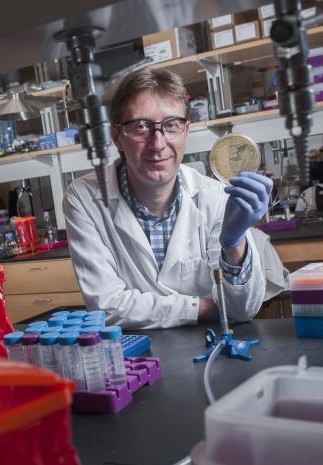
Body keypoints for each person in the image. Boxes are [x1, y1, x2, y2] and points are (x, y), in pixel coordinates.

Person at [63, 68, 275, 329]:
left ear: (187, 130)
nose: (158, 143)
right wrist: (204, 306)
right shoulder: (83, 198)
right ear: (116, 136)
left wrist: (234, 242)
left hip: (211, 355)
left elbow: (242, 310)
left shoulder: (216, 197)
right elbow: (106, 307)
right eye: (141, 127)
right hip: (132, 358)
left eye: (171, 125)